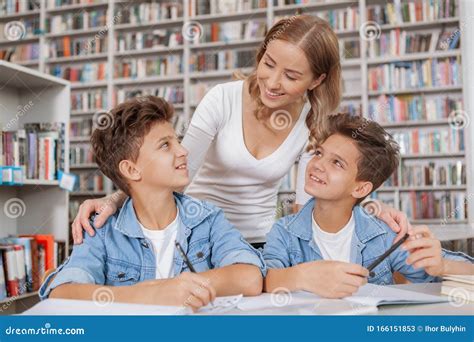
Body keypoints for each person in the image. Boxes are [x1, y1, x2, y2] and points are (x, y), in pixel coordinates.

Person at [71, 15, 410, 247]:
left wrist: (371, 209)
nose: (273, 83)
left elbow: (312, 201)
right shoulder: (223, 99)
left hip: (260, 242)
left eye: (291, 76)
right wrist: (115, 199)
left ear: (317, 80)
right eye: (268, 64)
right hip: (196, 233)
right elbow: (175, 170)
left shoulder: (314, 121)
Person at [40, 96, 266, 311]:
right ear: (131, 169)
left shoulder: (207, 219)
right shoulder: (101, 230)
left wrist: (184, 287)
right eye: (165, 146)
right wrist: (154, 293)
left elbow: (250, 277)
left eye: (176, 140)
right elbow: (62, 294)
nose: (183, 151)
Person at [263, 113, 474, 298]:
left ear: (361, 189)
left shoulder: (384, 236)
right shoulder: (284, 232)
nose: (317, 164)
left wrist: (443, 266)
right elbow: (262, 281)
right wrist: (303, 276)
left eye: (337, 162)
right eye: (319, 153)